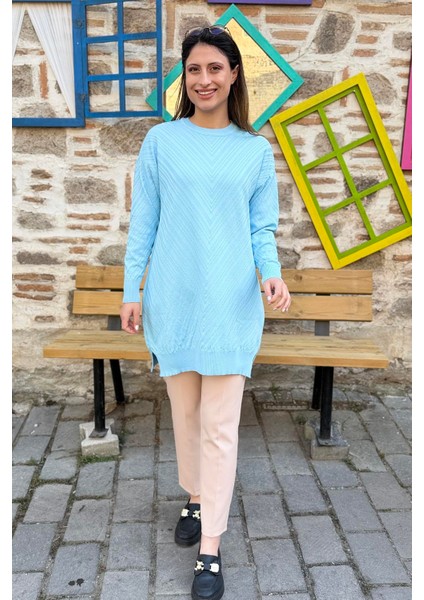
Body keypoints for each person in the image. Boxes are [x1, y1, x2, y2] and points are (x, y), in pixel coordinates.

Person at [120, 24, 291, 600]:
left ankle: (210, 550)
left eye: (215, 68)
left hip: (231, 306)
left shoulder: (254, 151)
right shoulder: (161, 143)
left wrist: (271, 274)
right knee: (187, 417)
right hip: (173, 302)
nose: (204, 79)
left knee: (220, 427)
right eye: (194, 69)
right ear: (184, 78)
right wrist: (131, 290)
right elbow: (144, 223)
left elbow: (261, 229)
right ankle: (194, 496)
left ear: (234, 74)